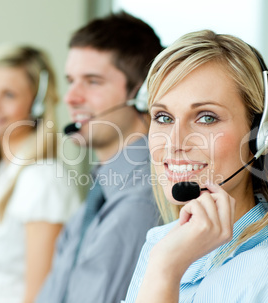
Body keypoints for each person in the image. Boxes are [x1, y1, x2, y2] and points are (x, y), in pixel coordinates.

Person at [123, 30, 268, 302]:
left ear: (260, 135)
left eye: (206, 118)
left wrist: (165, 272)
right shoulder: (162, 244)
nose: (174, 143)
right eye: (164, 117)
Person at [36, 12, 163, 303]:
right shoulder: (103, 190)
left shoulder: (140, 201)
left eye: (92, 82)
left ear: (143, 94)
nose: (71, 97)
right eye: (71, 80)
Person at [0, 45, 81, 303]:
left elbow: (40, 295)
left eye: (9, 95)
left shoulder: (42, 179)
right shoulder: (3, 172)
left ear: (36, 105)